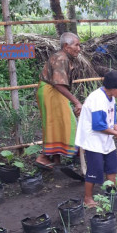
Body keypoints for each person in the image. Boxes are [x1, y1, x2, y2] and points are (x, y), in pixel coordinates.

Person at [75, 70, 117, 208]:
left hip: (104, 138)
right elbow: (98, 125)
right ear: (112, 88)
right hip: (93, 140)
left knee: (112, 165)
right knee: (95, 169)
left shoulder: (111, 98)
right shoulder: (97, 99)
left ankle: (111, 192)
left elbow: (111, 122)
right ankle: (87, 198)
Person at [35, 32, 83, 170]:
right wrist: (76, 102)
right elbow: (58, 84)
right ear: (66, 46)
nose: (79, 49)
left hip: (52, 92)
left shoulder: (62, 57)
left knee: (57, 124)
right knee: (64, 123)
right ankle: (44, 157)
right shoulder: (61, 58)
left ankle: (56, 160)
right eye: (76, 45)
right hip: (51, 92)